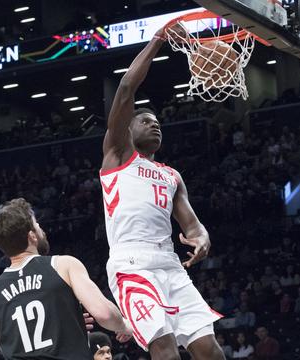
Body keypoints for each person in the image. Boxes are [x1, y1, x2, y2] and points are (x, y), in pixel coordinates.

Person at [100, 23, 224, 360]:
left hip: (170, 264)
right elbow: (126, 87)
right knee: (165, 347)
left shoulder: (171, 176)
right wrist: (159, 40)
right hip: (132, 263)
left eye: (158, 122)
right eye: (145, 120)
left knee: (208, 349)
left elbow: (192, 225)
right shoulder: (118, 155)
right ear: (127, 129)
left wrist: (201, 237)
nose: (154, 124)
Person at [0, 198, 133, 358]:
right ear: (32, 236)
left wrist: (62, 324)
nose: (41, 228)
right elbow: (104, 314)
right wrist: (125, 325)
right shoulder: (62, 265)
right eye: (37, 225)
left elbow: (8, 344)